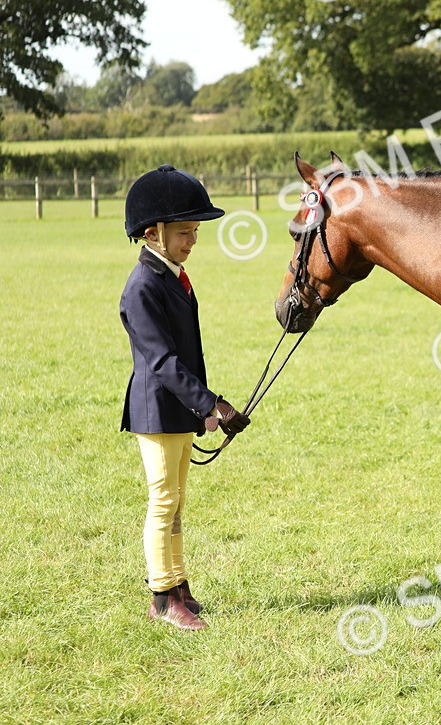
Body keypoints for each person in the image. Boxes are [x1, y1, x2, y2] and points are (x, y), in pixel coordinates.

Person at [120, 165, 251, 630]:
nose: (192, 241)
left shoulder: (174, 276)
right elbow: (161, 362)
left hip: (178, 408)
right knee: (162, 501)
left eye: (195, 232)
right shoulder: (142, 287)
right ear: (153, 233)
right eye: (183, 233)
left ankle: (178, 585)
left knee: (177, 504)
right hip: (156, 410)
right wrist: (212, 403)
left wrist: (205, 407)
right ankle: (161, 597)